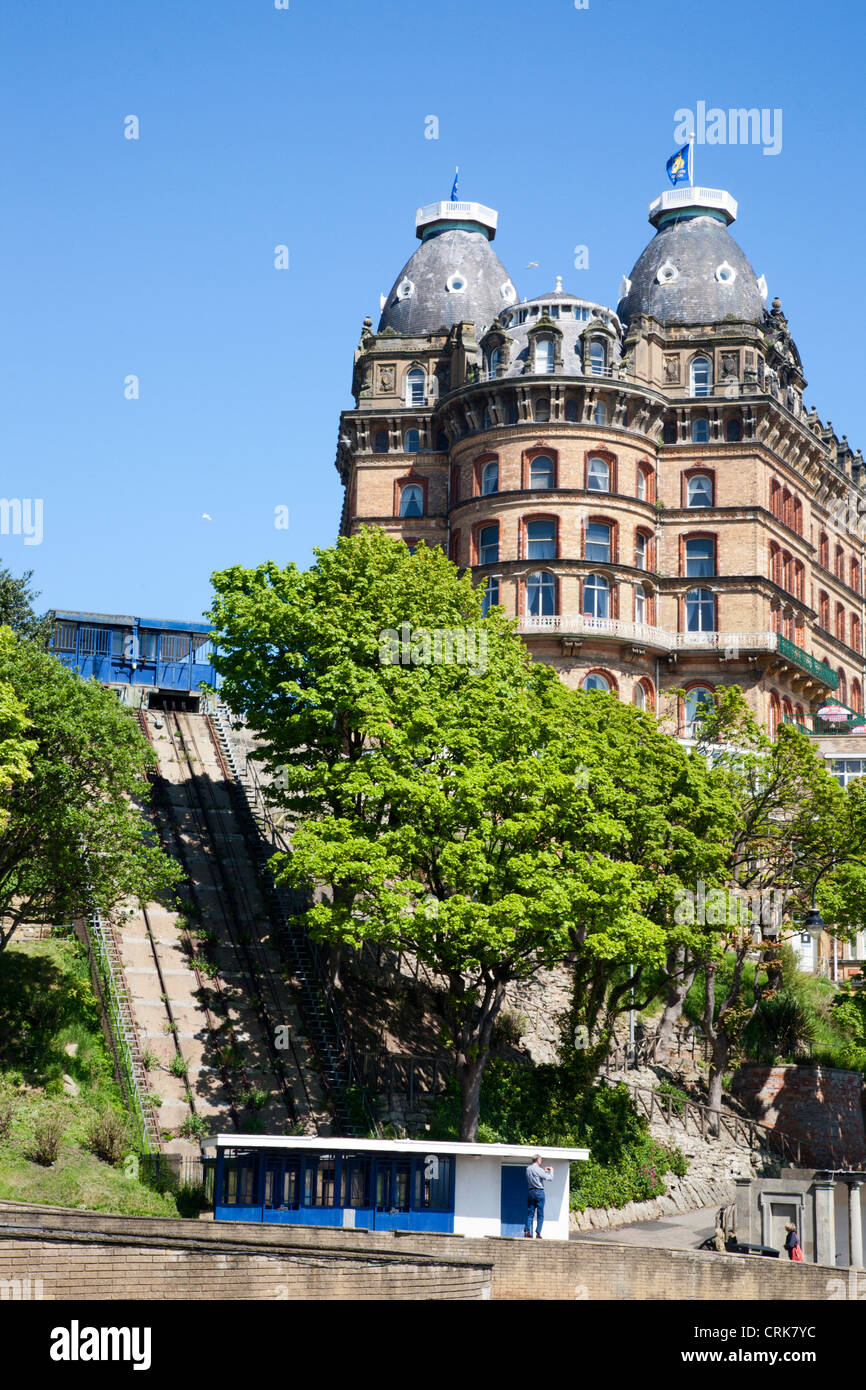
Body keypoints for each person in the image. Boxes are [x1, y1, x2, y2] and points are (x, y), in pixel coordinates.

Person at [525, 1154, 553, 1239]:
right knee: (540, 1214)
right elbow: (549, 1178)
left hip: (530, 1191)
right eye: (540, 1160)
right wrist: (551, 1171)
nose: (541, 1161)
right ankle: (538, 1233)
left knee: (530, 1213)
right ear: (538, 1160)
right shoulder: (539, 1169)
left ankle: (527, 1231)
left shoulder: (528, 1169)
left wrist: (543, 1171)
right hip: (539, 1191)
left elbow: (535, 1175)